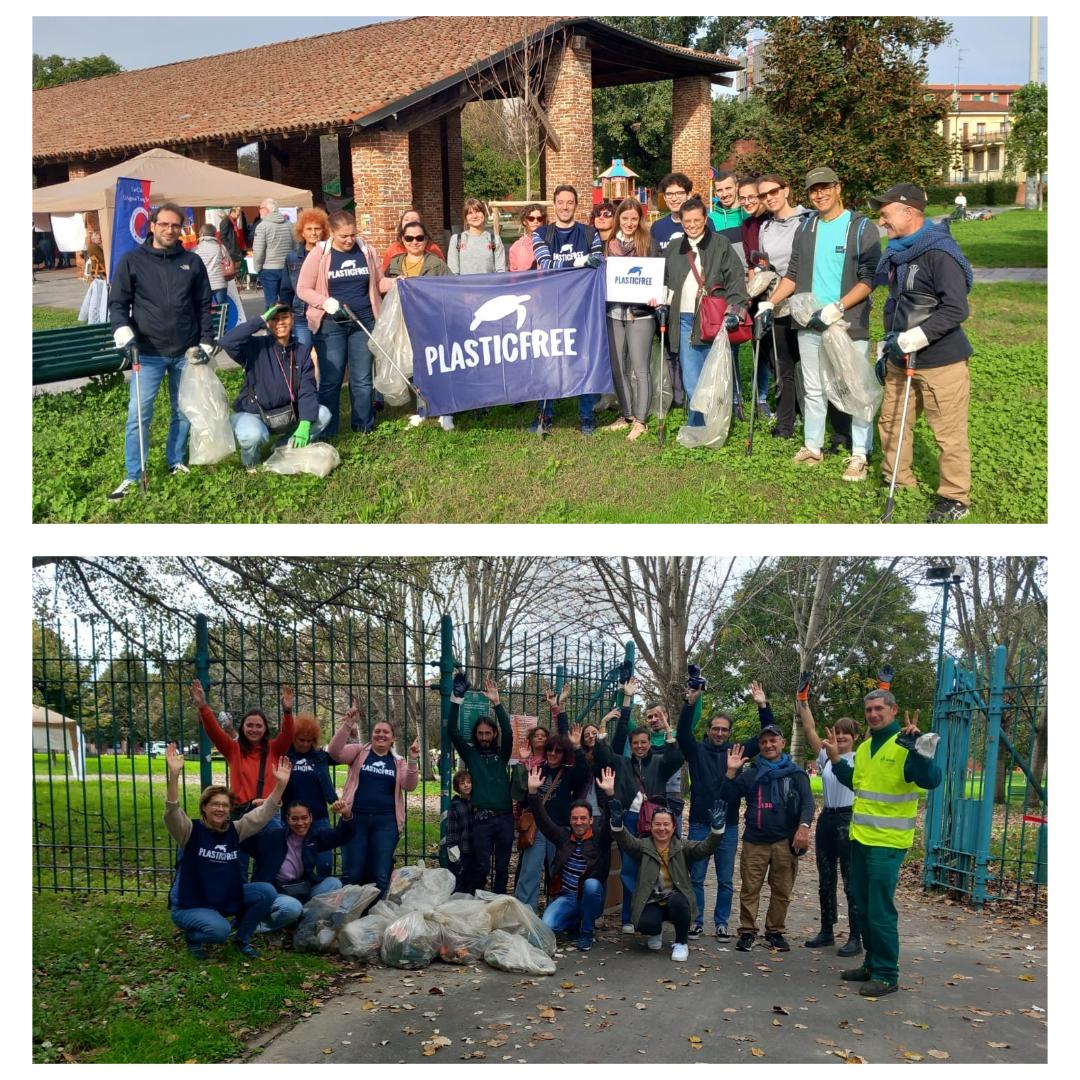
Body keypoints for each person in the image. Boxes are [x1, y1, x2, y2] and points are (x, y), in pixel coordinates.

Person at [756, 167, 879, 480]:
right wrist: (771, 302)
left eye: (825, 188)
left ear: (838, 188)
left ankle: (860, 454)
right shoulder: (807, 227)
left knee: (854, 387)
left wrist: (837, 308)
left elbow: (868, 280)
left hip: (847, 322)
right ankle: (813, 446)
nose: (819, 194)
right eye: (813, 190)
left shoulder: (861, 227)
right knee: (813, 388)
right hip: (808, 321)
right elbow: (793, 274)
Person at [822, 690, 942, 996]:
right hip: (860, 838)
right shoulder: (864, 749)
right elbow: (858, 783)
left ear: (893, 709)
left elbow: (930, 780)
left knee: (879, 909)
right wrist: (836, 759)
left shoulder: (906, 743)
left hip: (887, 842)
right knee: (862, 906)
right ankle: (872, 965)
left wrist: (918, 749)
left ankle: (887, 973)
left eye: (879, 709)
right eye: (869, 710)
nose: (874, 714)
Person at [871, 183, 975, 522]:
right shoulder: (899, 251)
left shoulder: (939, 253)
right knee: (892, 422)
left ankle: (954, 497)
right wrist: (891, 342)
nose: (882, 221)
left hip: (941, 360)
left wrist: (919, 336)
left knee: (948, 433)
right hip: (900, 355)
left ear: (909, 212)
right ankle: (898, 480)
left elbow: (956, 309)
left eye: (885, 214)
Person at [107, 201, 213, 498]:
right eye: (164, 224)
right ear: (151, 226)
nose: (170, 230)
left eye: (175, 225)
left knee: (183, 410)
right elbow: (118, 304)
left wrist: (206, 338)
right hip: (148, 352)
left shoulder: (191, 262)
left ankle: (175, 460)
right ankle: (133, 473)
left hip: (185, 350)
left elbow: (204, 304)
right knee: (138, 413)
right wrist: (120, 327)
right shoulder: (132, 260)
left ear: (182, 229)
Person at [163, 742, 291, 959]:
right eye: (214, 804)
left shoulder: (235, 830)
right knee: (219, 930)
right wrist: (174, 775)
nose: (220, 809)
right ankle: (194, 936)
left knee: (266, 892)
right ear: (204, 807)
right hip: (190, 903)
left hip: (222, 897)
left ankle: (241, 940)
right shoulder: (189, 831)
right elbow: (172, 811)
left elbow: (263, 815)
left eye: (224, 805)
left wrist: (280, 786)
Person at [599, 766, 726, 962]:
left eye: (666, 824)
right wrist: (617, 824)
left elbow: (705, 848)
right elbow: (625, 840)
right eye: (657, 824)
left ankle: (681, 942)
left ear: (673, 826)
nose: (662, 828)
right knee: (644, 923)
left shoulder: (682, 846)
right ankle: (655, 931)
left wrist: (717, 831)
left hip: (676, 899)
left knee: (678, 901)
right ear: (651, 825)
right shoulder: (643, 845)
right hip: (653, 901)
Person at [677, 681, 772, 940]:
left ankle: (721, 922)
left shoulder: (738, 751)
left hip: (728, 825)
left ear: (729, 733)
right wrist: (690, 702)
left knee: (725, 880)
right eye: (715, 729)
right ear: (708, 731)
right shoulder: (695, 751)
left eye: (724, 730)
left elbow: (766, 734)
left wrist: (763, 705)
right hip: (699, 822)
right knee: (696, 877)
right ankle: (696, 921)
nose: (719, 733)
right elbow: (683, 732)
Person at [720, 720, 815, 952]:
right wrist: (731, 772)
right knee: (750, 888)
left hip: (785, 840)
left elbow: (808, 803)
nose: (768, 745)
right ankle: (747, 931)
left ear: (782, 743)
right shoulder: (751, 773)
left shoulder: (796, 774)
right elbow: (727, 797)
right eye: (764, 742)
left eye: (773, 741)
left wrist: (804, 827)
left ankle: (775, 931)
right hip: (755, 840)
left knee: (782, 889)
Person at [661, 196, 749, 428]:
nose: (691, 225)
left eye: (696, 220)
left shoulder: (720, 244)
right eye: (687, 221)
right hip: (684, 320)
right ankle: (698, 424)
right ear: (680, 221)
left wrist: (735, 311)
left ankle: (719, 422)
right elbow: (665, 281)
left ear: (705, 219)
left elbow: (736, 280)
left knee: (716, 372)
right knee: (691, 377)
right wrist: (660, 301)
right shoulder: (673, 248)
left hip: (714, 319)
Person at [296, 210, 383, 438]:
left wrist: (400, 283)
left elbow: (379, 282)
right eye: (343, 235)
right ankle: (328, 429)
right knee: (331, 380)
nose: (349, 240)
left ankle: (363, 425)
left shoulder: (366, 250)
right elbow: (303, 289)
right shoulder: (319, 253)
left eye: (353, 234)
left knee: (362, 379)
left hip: (363, 321)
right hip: (330, 325)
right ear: (332, 232)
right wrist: (325, 302)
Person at [215, 302, 330, 471]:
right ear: (268, 323)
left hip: (289, 412)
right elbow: (227, 342)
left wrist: (305, 423)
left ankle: (281, 447)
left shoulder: (301, 351)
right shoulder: (254, 346)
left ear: (292, 319)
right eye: (274, 319)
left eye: (285, 317)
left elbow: (308, 389)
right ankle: (251, 463)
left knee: (323, 414)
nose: (280, 322)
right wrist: (259, 319)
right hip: (255, 413)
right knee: (252, 435)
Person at [609, 679, 684, 932]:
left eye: (644, 742)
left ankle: (653, 911)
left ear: (650, 743)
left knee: (655, 867)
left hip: (654, 821)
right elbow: (619, 736)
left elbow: (677, 757)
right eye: (636, 743)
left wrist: (668, 729)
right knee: (629, 869)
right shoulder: (625, 764)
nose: (640, 746)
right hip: (631, 819)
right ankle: (629, 917)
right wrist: (627, 700)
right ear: (632, 746)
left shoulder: (660, 763)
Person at [529, 183, 603, 435]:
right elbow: (547, 264)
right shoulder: (541, 234)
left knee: (584, 359)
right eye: (560, 202)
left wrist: (584, 261)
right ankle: (544, 414)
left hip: (582, 306)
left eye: (569, 202)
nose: (564, 207)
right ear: (554, 204)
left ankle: (586, 415)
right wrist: (580, 261)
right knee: (548, 359)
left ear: (576, 205)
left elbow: (598, 261)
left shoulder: (589, 233)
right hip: (550, 306)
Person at [326, 703, 420, 895]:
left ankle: (374, 917)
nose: (381, 735)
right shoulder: (359, 752)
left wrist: (412, 760)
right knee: (353, 873)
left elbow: (409, 785)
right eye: (377, 731)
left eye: (386, 732)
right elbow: (334, 752)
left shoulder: (398, 761)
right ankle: (348, 915)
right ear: (372, 735)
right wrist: (348, 725)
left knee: (379, 875)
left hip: (386, 823)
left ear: (393, 738)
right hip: (354, 819)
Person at [796, 686, 862, 957]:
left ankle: (856, 936)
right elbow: (809, 729)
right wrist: (803, 700)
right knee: (826, 878)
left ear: (855, 738)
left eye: (847, 735)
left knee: (850, 880)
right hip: (827, 819)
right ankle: (827, 930)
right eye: (838, 733)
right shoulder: (825, 756)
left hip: (849, 819)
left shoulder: (860, 759)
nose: (841, 738)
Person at [528, 768, 611, 951]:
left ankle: (586, 932)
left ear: (590, 820)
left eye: (583, 818)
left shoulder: (600, 838)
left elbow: (609, 820)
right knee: (548, 926)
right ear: (570, 820)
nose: (579, 822)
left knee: (591, 884)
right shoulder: (564, 837)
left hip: (590, 897)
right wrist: (533, 793)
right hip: (567, 897)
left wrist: (609, 794)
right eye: (575, 818)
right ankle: (574, 922)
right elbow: (543, 821)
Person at [190, 680, 296, 825]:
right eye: (249, 725)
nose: (254, 729)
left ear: (265, 729)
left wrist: (288, 712)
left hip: (267, 812)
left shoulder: (274, 749)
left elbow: (288, 735)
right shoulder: (233, 749)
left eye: (259, 726)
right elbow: (214, 731)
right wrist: (202, 706)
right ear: (243, 728)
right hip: (240, 813)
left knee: (270, 847)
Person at [244, 799, 356, 934]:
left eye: (304, 818)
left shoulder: (314, 837)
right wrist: (253, 809)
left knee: (334, 883)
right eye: (294, 819)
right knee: (293, 908)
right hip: (276, 892)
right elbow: (243, 836)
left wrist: (346, 815)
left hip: (301, 890)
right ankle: (260, 926)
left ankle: (301, 921)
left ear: (311, 817)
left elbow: (341, 836)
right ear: (287, 819)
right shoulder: (272, 837)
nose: (300, 823)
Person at [752, 175, 810, 436]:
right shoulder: (766, 228)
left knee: (808, 364)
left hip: (806, 301)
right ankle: (786, 422)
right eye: (763, 196)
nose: (769, 198)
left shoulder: (808, 220)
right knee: (783, 363)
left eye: (773, 192)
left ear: (786, 190)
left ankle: (813, 419)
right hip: (777, 303)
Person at [448, 674, 514, 893]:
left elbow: (509, 733)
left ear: (494, 734)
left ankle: (500, 903)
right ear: (475, 735)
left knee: (503, 868)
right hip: (481, 819)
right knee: (482, 866)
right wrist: (456, 699)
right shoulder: (471, 754)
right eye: (480, 733)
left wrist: (497, 703)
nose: (484, 737)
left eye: (488, 733)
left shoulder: (502, 755)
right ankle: (479, 901)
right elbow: (453, 732)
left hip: (504, 818)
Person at [513, 729, 589, 911]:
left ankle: (555, 911)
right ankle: (525, 911)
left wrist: (577, 746)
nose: (553, 754)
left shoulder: (569, 773)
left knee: (557, 873)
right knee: (530, 871)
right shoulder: (537, 770)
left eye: (558, 751)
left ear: (564, 754)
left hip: (560, 830)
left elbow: (584, 772)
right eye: (550, 750)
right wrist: (524, 767)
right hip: (538, 829)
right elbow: (521, 796)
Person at [603, 197, 655, 441]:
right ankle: (627, 414)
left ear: (640, 220)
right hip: (614, 312)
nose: (630, 223)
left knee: (639, 368)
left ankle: (641, 420)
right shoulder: (609, 245)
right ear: (618, 219)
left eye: (634, 218)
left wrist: (654, 297)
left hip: (640, 314)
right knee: (617, 367)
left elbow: (657, 278)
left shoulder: (647, 243)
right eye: (625, 218)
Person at [280, 712, 342, 879]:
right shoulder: (284, 756)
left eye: (310, 740)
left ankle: (322, 896)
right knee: (293, 862)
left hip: (318, 816)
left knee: (325, 862)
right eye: (301, 740)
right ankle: (298, 892)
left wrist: (348, 727)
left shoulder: (320, 757)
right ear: (293, 738)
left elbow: (341, 753)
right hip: (292, 817)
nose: (306, 744)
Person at [650, 173, 694, 408]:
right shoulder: (658, 227)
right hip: (667, 295)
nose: (675, 198)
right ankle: (677, 395)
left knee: (691, 347)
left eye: (679, 193)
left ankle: (692, 393)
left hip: (694, 296)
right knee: (670, 347)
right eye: (670, 194)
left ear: (688, 194)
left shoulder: (702, 221)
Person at [285, 207, 332, 384]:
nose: (314, 233)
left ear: (324, 230)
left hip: (324, 314)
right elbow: (287, 288)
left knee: (324, 357)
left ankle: (320, 395)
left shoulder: (329, 255)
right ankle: (306, 395)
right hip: (300, 315)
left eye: (317, 228)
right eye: (309, 229)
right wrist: (285, 312)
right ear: (301, 232)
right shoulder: (292, 257)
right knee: (303, 357)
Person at [253, 198, 295, 310]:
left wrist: (257, 268)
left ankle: (272, 327)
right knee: (287, 301)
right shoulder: (289, 224)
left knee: (271, 302)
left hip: (269, 269)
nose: (259, 211)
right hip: (287, 267)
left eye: (260, 208)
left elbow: (258, 251)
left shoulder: (262, 226)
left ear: (266, 210)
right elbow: (296, 246)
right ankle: (288, 325)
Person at [447, 198, 506, 275]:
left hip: (489, 286)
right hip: (464, 287)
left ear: (484, 214)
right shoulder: (456, 240)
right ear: (466, 218)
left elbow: (500, 272)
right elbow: (453, 273)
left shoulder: (495, 240)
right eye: (470, 213)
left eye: (478, 211)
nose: (475, 216)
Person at [381, 208, 446, 271]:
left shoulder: (433, 248)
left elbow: (443, 274)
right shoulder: (393, 249)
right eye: (406, 219)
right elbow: (386, 275)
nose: (410, 222)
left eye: (414, 220)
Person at [446, 769, 476, 893]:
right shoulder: (455, 806)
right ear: (457, 786)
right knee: (460, 881)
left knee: (473, 880)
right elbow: (451, 830)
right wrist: (453, 850)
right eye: (462, 783)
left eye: (468, 782)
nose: (466, 785)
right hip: (462, 849)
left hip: (475, 847)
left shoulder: (477, 803)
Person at [708, 170, 748, 255]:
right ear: (715, 193)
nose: (724, 194)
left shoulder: (749, 214)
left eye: (728, 188)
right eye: (719, 190)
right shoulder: (710, 219)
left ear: (737, 187)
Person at [193, 224, 228, 307]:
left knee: (205, 309)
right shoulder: (221, 247)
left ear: (201, 233)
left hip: (202, 284)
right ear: (214, 234)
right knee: (222, 309)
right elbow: (228, 261)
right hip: (220, 283)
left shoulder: (195, 249)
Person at [508, 204, 546, 271]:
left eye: (539, 219)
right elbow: (513, 276)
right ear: (524, 221)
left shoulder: (551, 242)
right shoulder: (516, 247)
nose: (536, 221)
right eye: (531, 218)